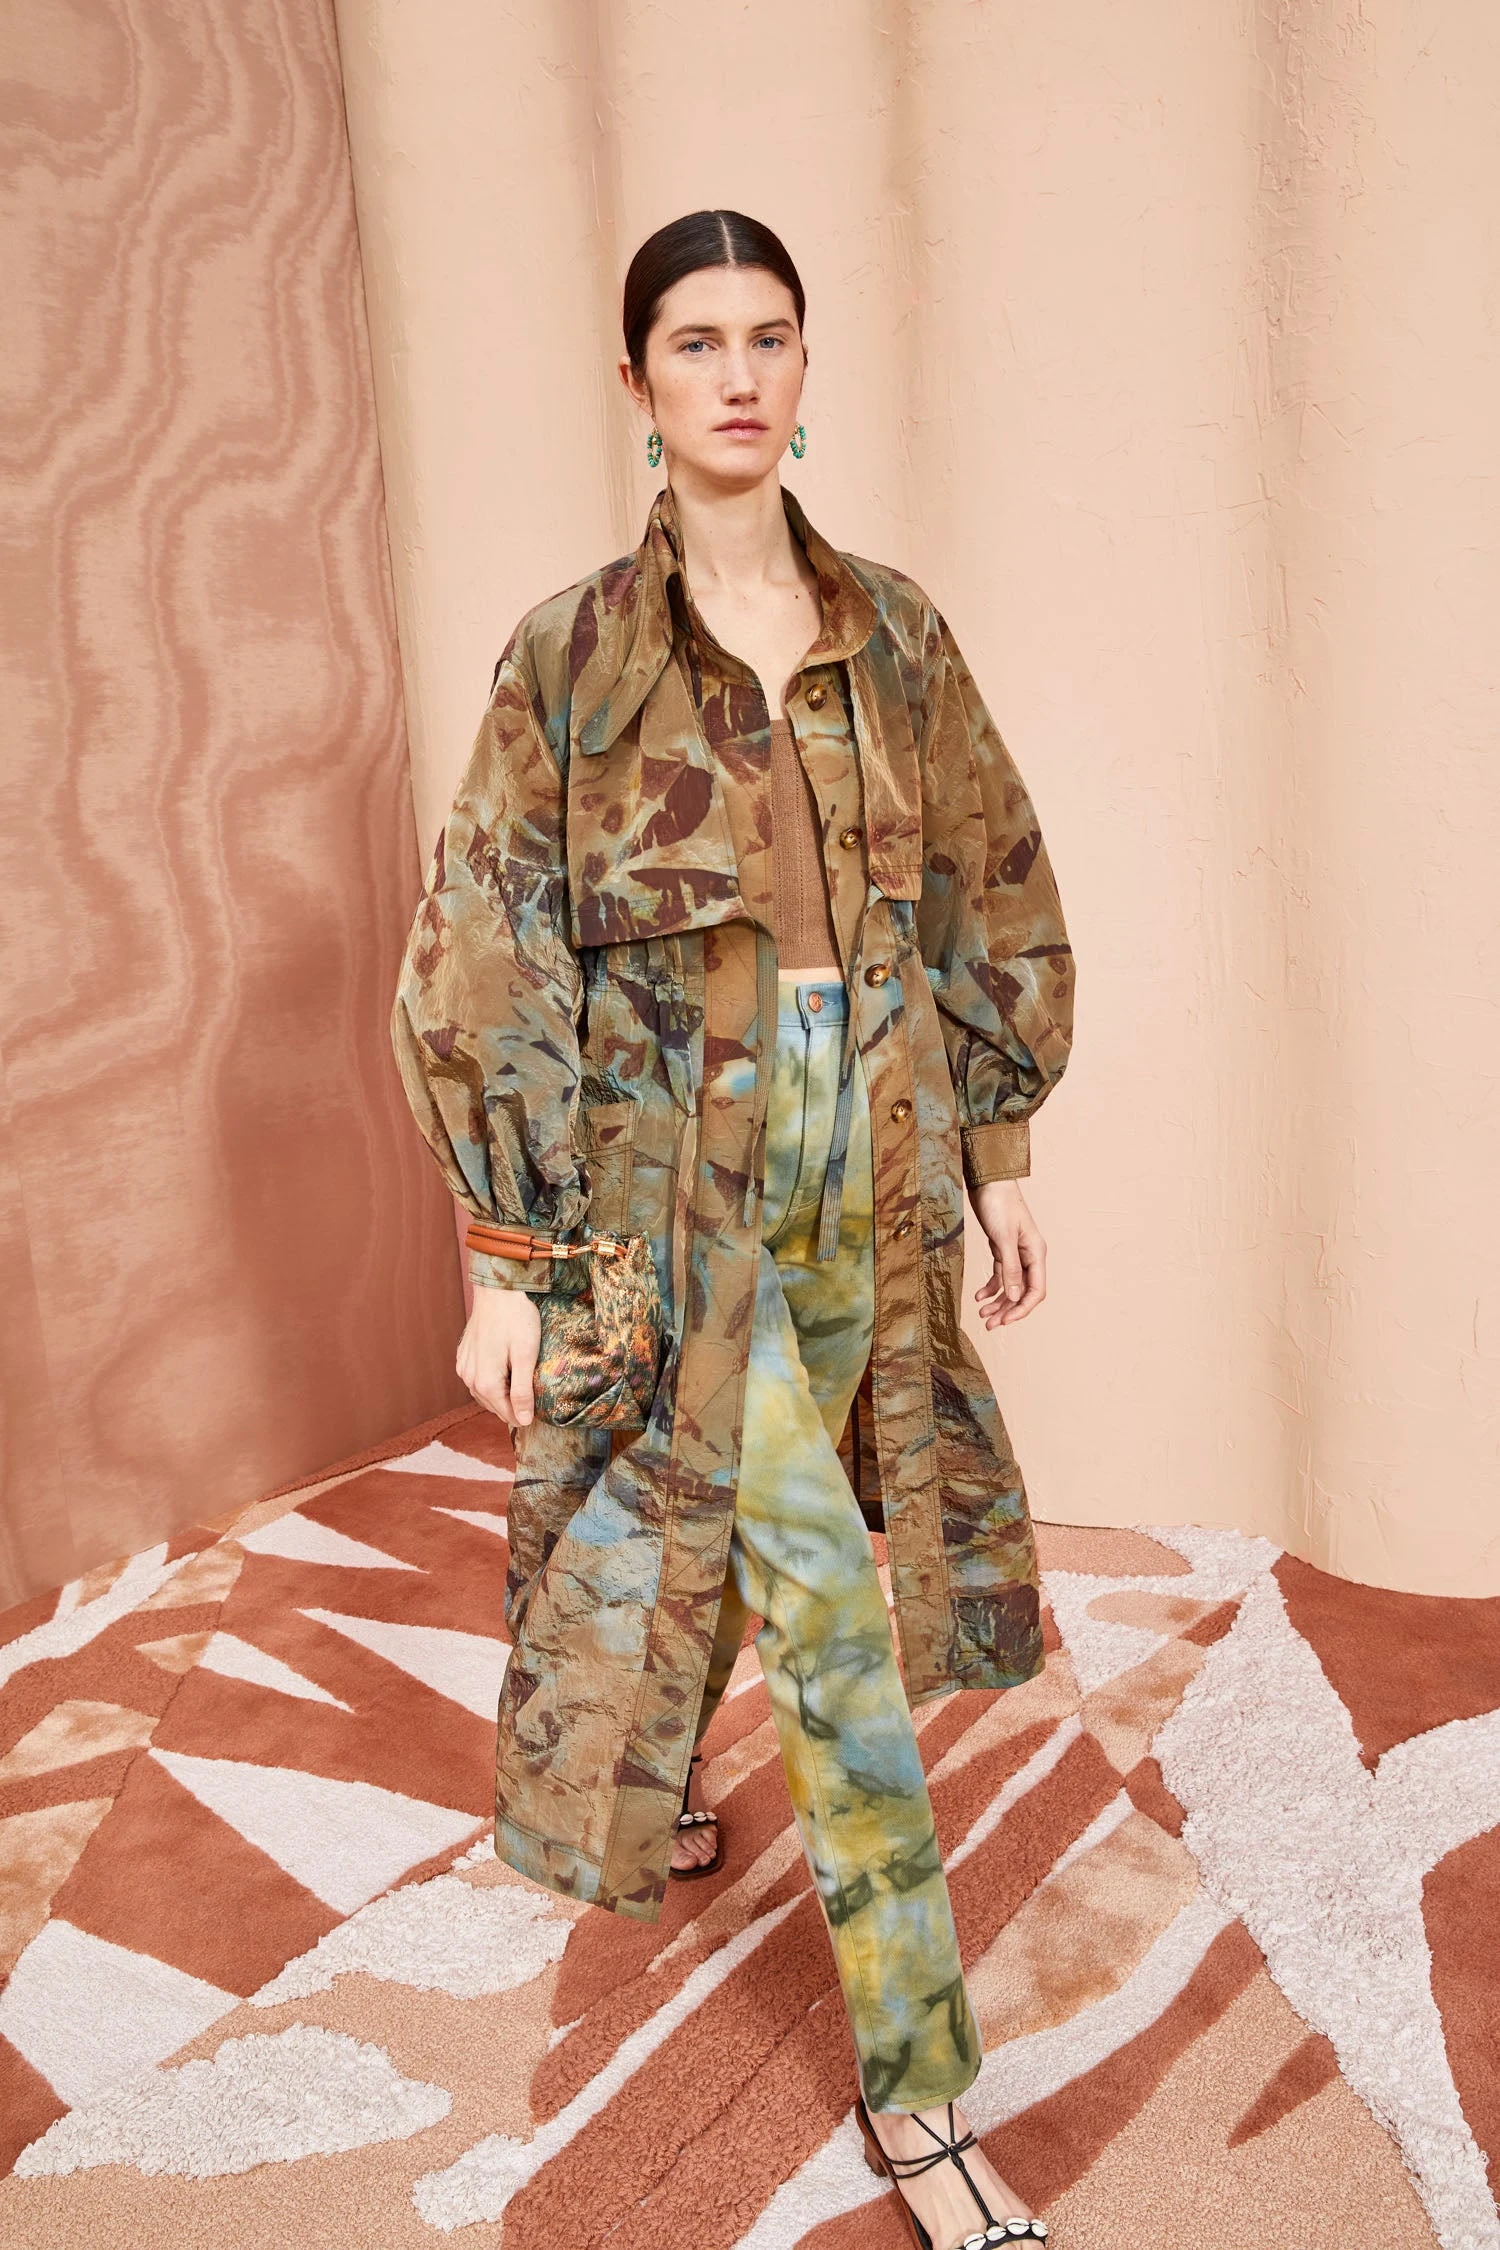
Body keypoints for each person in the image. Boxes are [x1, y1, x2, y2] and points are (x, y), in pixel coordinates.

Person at [390, 208, 1074, 2250]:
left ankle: (671, 1771)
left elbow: (985, 881)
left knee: (766, 1515)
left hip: (866, 1155)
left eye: (769, 336)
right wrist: (505, 1254)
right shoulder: (571, 658)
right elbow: (486, 947)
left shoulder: (896, 636)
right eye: (696, 342)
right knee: (829, 1609)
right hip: (665, 1187)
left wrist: (997, 1151)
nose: (739, 375)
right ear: (638, 383)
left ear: (803, 364)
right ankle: (924, 2094)